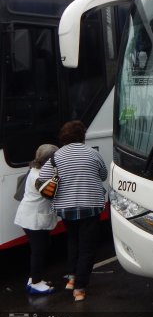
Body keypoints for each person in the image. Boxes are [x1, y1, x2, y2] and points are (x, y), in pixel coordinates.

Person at [38, 120, 107, 302]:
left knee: (73, 240)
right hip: (90, 206)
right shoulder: (93, 153)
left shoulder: (56, 157)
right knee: (87, 248)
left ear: (64, 136)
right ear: (82, 136)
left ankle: (72, 278)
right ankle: (80, 288)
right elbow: (103, 175)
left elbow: (43, 178)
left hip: (66, 208)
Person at [13, 144, 60, 294]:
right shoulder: (41, 176)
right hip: (33, 219)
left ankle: (34, 278)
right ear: (49, 160)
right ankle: (36, 283)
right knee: (39, 250)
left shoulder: (34, 169)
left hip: (29, 216)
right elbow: (51, 193)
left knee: (43, 246)